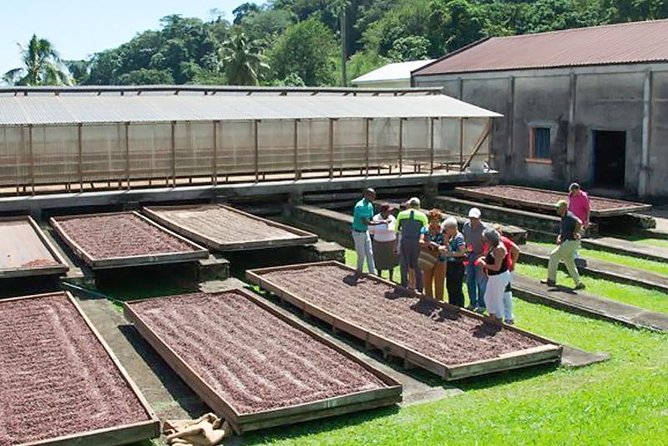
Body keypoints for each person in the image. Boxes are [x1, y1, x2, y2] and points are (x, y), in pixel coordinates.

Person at [541, 200, 586, 290]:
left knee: (554, 255)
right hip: (570, 243)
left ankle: (551, 280)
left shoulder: (569, 216)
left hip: (570, 242)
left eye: (558, 207)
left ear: (564, 208)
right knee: (569, 262)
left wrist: (575, 232)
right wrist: (560, 236)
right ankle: (579, 283)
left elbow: (580, 222)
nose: (556, 209)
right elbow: (565, 230)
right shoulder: (564, 217)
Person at [395, 197, 429, 292]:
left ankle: (404, 284)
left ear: (409, 205)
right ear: (418, 206)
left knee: (404, 263)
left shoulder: (401, 214)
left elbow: (396, 229)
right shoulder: (423, 216)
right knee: (418, 265)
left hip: (405, 240)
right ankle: (420, 287)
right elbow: (426, 231)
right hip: (417, 242)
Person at [477, 228, 510, 322]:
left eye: (486, 240)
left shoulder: (499, 249)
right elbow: (492, 258)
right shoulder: (494, 247)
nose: (485, 242)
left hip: (499, 276)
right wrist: (484, 259)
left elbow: (497, 267)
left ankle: (499, 319)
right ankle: (492, 316)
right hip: (494, 277)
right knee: (488, 297)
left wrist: (484, 265)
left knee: (497, 298)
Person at [351, 188, 385, 276]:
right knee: (361, 254)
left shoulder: (369, 205)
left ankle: (372, 273)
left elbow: (371, 218)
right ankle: (359, 271)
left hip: (365, 231)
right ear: (366, 195)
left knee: (369, 252)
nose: (374, 197)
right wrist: (381, 222)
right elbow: (366, 222)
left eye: (374, 196)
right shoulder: (360, 206)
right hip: (358, 232)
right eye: (372, 196)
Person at [462, 208, 488, 313]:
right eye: (471, 218)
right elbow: (465, 239)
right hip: (469, 255)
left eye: (475, 218)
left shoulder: (484, 229)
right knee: (469, 280)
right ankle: (472, 303)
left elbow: (487, 246)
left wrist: (482, 256)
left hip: (480, 256)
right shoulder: (466, 226)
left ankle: (482, 304)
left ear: (479, 218)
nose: (473, 220)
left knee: (480, 281)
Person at [419, 209, 447, 301]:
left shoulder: (444, 230)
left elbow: (446, 245)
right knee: (427, 280)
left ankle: (439, 301)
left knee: (439, 282)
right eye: (433, 219)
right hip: (427, 257)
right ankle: (428, 300)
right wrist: (429, 243)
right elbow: (420, 241)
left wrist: (439, 247)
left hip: (440, 259)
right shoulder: (425, 229)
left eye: (437, 219)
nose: (435, 222)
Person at [495, 225, 520, 325]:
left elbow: (516, 250)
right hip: (496, 271)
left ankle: (509, 317)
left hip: (505, 270)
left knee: (506, 293)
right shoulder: (491, 242)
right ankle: (499, 315)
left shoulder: (504, 241)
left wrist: (513, 263)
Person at [369, 203, 398, 279]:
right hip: (379, 243)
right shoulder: (375, 219)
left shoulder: (392, 218)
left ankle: (391, 277)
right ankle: (379, 275)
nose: (389, 213)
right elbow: (371, 231)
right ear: (382, 211)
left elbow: (396, 230)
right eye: (388, 211)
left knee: (391, 260)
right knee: (379, 260)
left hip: (390, 243)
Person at [442, 217, 466, 307]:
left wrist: (449, 254)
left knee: (457, 287)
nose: (445, 231)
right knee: (450, 285)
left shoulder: (459, 237)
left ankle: (459, 305)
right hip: (451, 264)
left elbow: (462, 252)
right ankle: (452, 304)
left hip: (457, 265)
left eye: (446, 229)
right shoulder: (452, 237)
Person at [568, 182, 590, 267]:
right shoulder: (571, 195)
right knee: (570, 236)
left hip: (580, 221)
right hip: (572, 219)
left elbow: (587, 209)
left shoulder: (583, 197)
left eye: (574, 191)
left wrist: (587, 220)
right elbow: (570, 206)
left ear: (578, 190)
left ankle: (576, 253)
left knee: (577, 236)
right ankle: (572, 252)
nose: (573, 193)